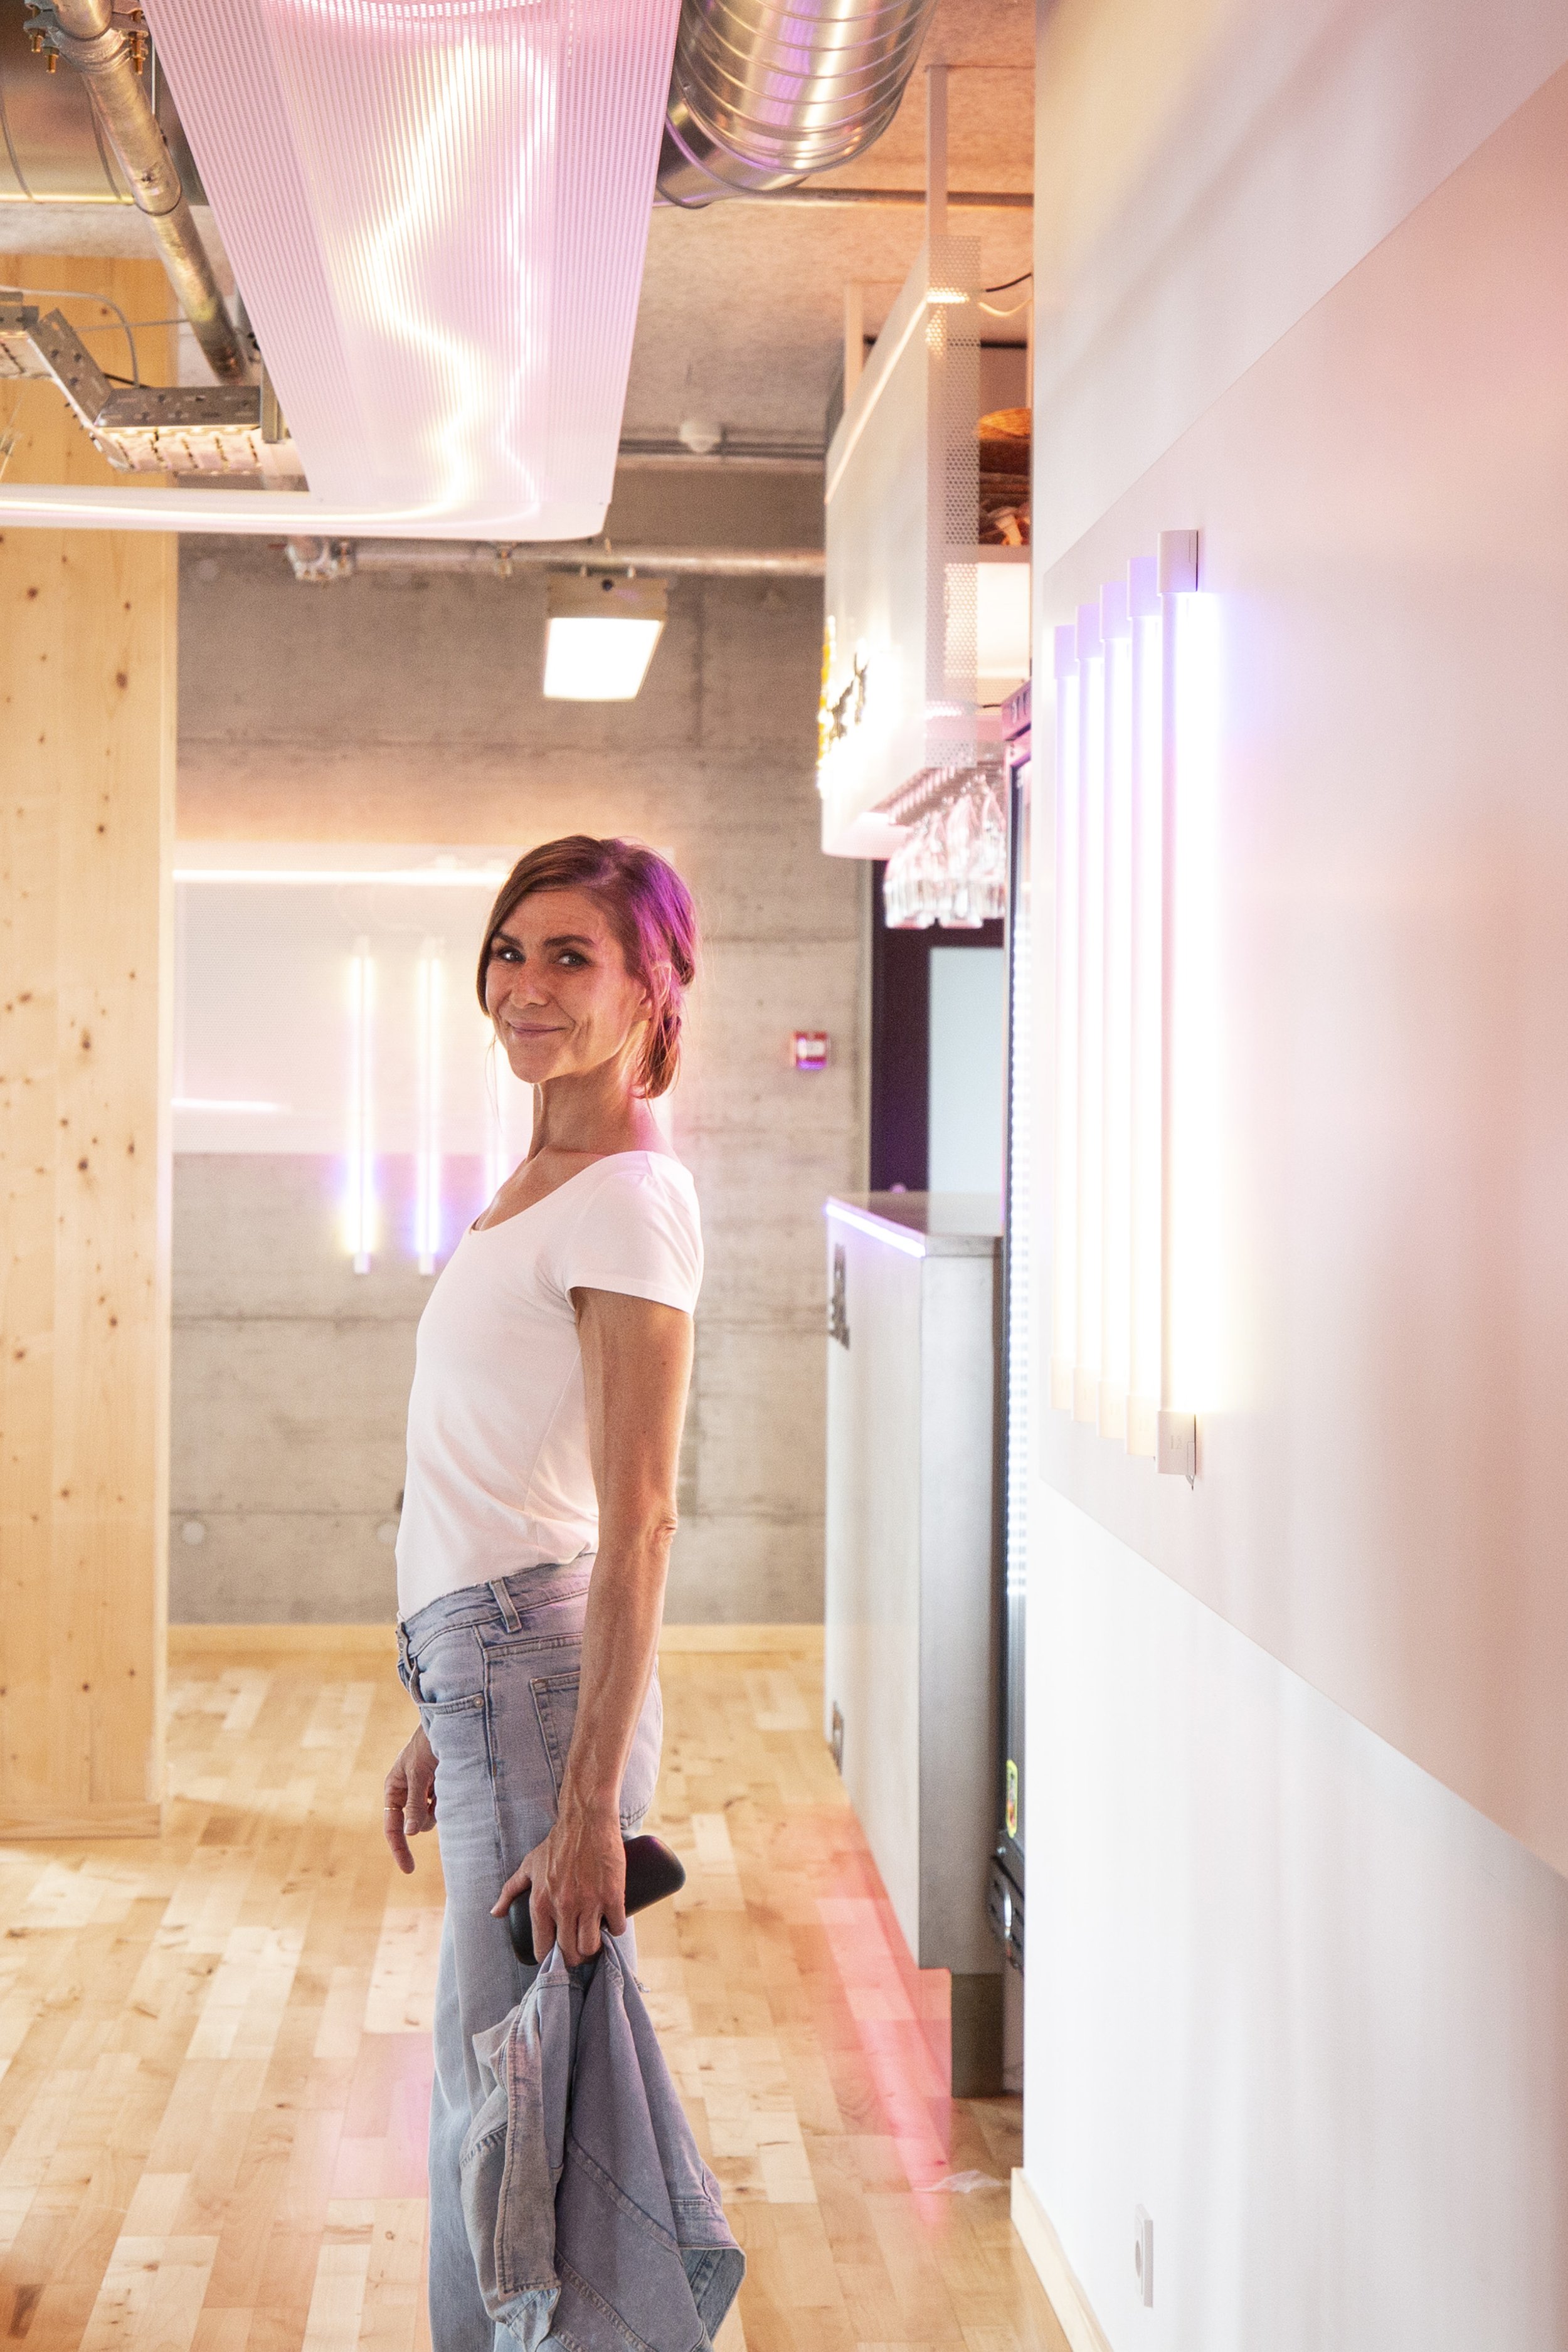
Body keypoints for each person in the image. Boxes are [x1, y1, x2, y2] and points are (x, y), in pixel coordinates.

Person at [382, 834, 702, 2352]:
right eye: (511, 951)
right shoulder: (540, 1180)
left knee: (522, 2123)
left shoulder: (627, 1199)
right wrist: (435, 1715)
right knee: (494, 2094)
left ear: (653, 985)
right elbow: (505, 1474)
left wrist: (583, 1811)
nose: (525, 984)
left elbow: (638, 1520)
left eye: (570, 956)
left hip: (530, 1674)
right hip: (490, 1672)